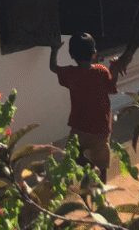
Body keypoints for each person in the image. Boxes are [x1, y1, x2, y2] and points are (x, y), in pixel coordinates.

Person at [49, 33, 121, 182]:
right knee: (103, 166)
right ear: (94, 54)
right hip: (100, 129)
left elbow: (53, 67)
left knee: (72, 153)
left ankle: (89, 167)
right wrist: (114, 68)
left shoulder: (70, 73)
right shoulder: (101, 72)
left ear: (71, 55)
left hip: (79, 127)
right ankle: (102, 191)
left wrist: (54, 49)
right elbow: (112, 87)